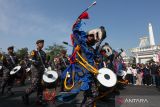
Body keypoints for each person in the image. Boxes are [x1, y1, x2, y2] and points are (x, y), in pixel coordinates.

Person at [22, 40, 47, 105]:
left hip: (42, 70)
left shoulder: (43, 53)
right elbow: (31, 60)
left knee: (41, 86)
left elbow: (45, 62)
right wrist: (36, 62)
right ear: (37, 44)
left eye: (43, 43)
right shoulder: (34, 52)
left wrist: (47, 67)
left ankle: (39, 100)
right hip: (35, 70)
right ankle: (25, 94)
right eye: (41, 43)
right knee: (35, 85)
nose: (42, 44)